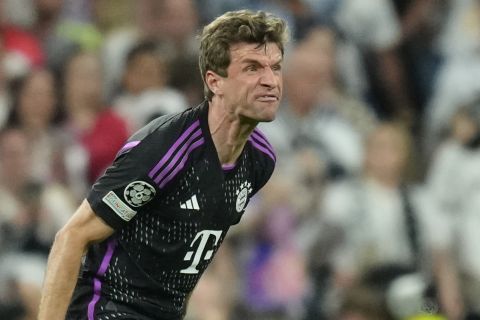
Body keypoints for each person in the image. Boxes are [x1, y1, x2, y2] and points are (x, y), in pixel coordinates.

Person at [38, 9, 288, 320]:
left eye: (275, 67)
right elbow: (72, 236)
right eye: (252, 68)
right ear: (215, 81)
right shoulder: (168, 150)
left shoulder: (260, 161)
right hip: (110, 308)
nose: (270, 81)